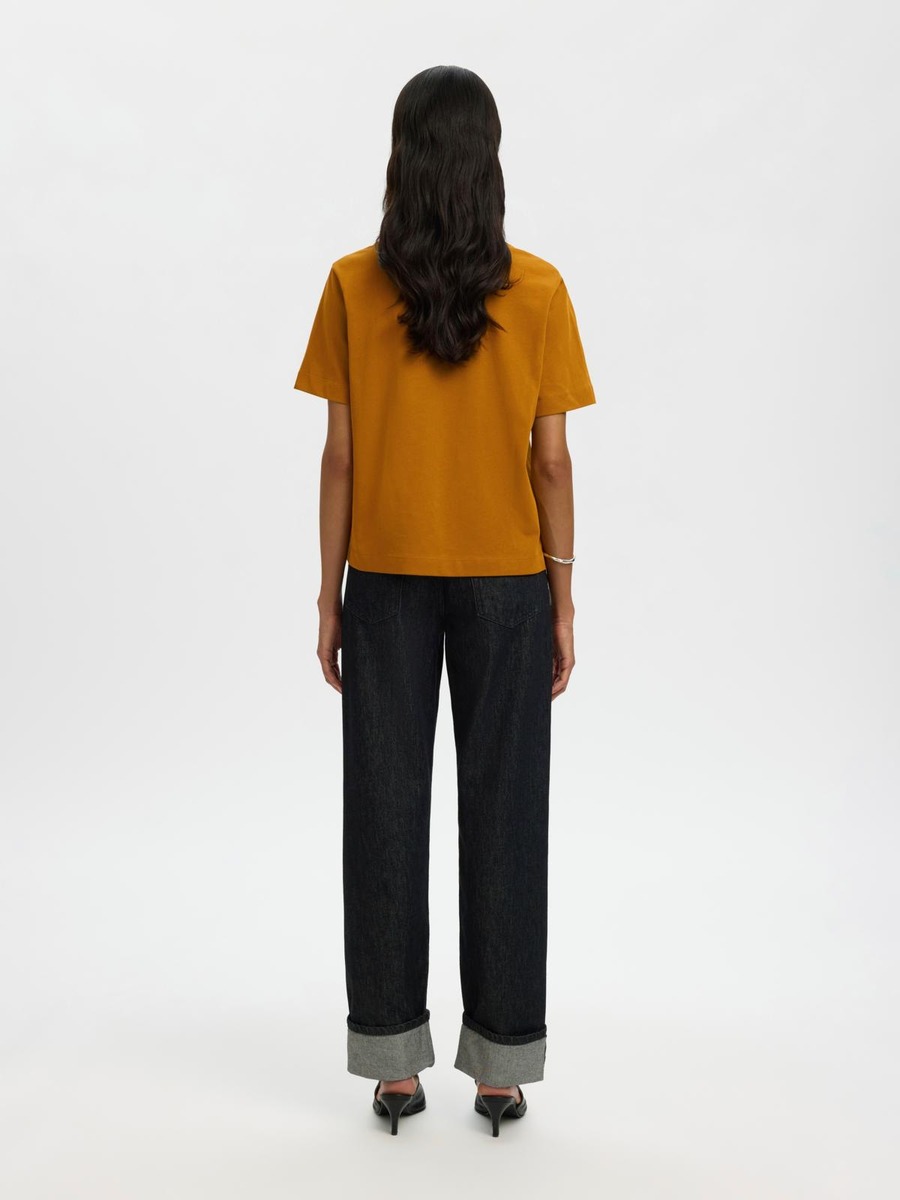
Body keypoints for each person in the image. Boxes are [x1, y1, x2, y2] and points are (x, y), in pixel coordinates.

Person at [293, 64, 596, 1137]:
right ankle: (502, 1069)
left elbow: (341, 455)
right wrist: (564, 598)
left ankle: (392, 1064)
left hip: (384, 579)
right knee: (507, 814)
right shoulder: (540, 289)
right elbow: (551, 462)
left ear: (403, 160)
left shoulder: (352, 284)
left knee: (383, 811)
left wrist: (328, 595)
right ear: (489, 162)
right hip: (510, 583)